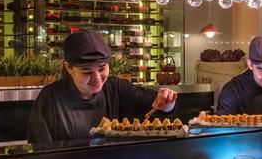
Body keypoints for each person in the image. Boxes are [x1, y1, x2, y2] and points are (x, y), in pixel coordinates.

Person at [27, 30, 177, 145]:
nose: (97, 79)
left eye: (101, 69)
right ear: (69, 68)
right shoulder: (50, 99)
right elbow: (39, 154)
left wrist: (167, 101)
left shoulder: (116, 88)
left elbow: (152, 107)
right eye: (87, 72)